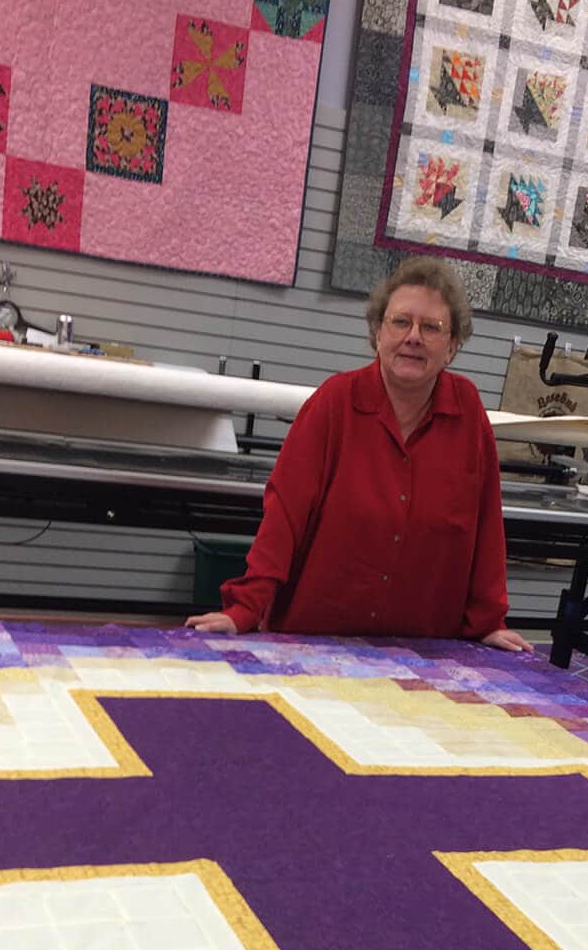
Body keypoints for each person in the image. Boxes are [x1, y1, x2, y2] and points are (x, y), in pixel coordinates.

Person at [185, 257, 532, 653]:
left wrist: (488, 621)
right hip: (315, 639)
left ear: (452, 346)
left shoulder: (467, 410)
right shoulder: (334, 402)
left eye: (431, 327)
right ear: (378, 334)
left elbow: (486, 522)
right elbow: (286, 513)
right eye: (400, 322)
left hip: (425, 649)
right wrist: (244, 609)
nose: (414, 337)